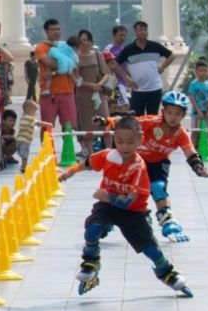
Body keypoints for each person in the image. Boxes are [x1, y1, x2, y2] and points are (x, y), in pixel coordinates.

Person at [57, 115, 194, 298]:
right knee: (92, 229)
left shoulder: (138, 167)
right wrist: (70, 172)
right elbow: (88, 163)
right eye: (120, 141)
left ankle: (166, 272)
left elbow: (128, 201)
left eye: (130, 142)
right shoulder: (108, 155)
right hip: (107, 207)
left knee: (151, 249)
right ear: (114, 140)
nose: (124, 147)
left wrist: (108, 196)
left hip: (133, 213)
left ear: (140, 141)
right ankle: (91, 261)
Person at [96, 91, 208, 242]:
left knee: (157, 187)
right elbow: (129, 122)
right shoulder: (152, 122)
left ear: (184, 115)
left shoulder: (180, 134)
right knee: (122, 190)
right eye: (170, 113)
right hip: (136, 162)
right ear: (163, 112)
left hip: (158, 164)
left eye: (177, 114)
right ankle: (108, 218)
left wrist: (198, 166)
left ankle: (167, 219)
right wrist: (107, 121)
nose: (173, 117)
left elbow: (189, 151)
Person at [117, 21, 175, 116]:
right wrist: (127, 79)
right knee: (136, 118)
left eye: (145, 30)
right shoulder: (128, 49)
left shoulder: (155, 46)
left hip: (155, 88)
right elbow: (116, 64)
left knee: (152, 118)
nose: (143, 32)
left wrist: (162, 67)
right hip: (138, 90)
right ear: (135, 31)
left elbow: (171, 56)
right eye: (140, 29)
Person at [35, 19, 78, 134]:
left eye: (58, 29)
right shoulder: (41, 47)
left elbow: (75, 64)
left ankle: (67, 151)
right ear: (46, 31)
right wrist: (66, 63)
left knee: (68, 127)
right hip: (48, 93)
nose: (56, 32)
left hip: (68, 91)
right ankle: (46, 151)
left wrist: (66, 64)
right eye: (52, 29)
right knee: (46, 127)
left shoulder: (65, 46)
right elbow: (50, 64)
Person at [74, 29, 111, 158]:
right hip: (83, 95)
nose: (84, 43)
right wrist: (89, 85)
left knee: (105, 122)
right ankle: (91, 154)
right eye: (82, 40)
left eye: (87, 40)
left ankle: (109, 151)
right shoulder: (75, 57)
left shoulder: (97, 55)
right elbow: (75, 78)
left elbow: (106, 73)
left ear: (91, 41)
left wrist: (99, 84)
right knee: (86, 123)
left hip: (99, 94)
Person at [14, 99, 52, 168]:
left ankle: (23, 165)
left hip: (20, 139)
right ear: (29, 110)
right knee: (25, 154)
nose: (35, 114)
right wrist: (48, 124)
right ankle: (24, 166)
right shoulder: (29, 118)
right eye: (34, 112)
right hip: (25, 140)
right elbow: (38, 123)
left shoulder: (23, 118)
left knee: (23, 154)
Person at [104, 25, 131, 113]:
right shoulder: (109, 49)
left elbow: (125, 67)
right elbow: (105, 66)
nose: (122, 37)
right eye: (120, 35)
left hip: (123, 83)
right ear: (114, 35)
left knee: (118, 107)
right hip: (114, 83)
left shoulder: (123, 49)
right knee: (124, 106)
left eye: (124, 35)